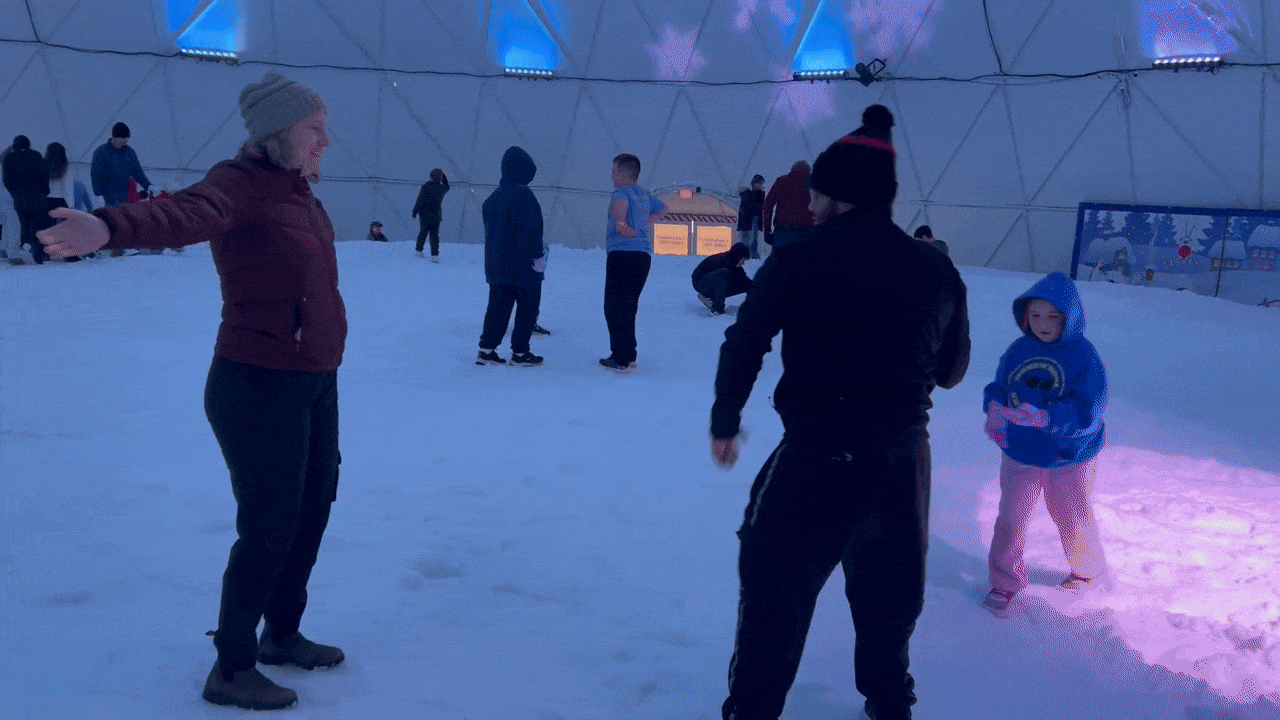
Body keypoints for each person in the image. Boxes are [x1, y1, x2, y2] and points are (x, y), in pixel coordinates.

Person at [39, 72, 346, 712]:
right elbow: (185, 213)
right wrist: (108, 227)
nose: (325, 141)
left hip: (313, 378)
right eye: (313, 129)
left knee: (311, 511)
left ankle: (281, 634)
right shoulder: (239, 184)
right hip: (257, 383)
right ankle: (231, 668)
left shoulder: (297, 191)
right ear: (277, 132)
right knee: (269, 526)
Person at [710, 112, 970, 720]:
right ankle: (889, 704)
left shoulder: (798, 255)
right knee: (889, 601)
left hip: (816, 458)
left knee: (776, 594)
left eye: (816, 191)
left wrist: (726, 419)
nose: (809, 201)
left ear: (839, 195)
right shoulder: (936, 269)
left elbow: (745, 341)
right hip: (900, 463)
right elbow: (952, 371)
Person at [981, 272, 1109, 616]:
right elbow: (999, 386)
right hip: (1021, 450)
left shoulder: (1084, 356)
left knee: (1072, 516)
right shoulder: (1019, 350)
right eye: (1035, 315)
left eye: (1053, 316)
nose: (1043, 323)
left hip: (1069, 455)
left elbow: (1090, 411)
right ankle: (1005, 579)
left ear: (1070, 317)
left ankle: (1086, 570)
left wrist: (1048, 417)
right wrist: (994, 408)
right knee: (1011, 516)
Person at [476, 146, 546, 367]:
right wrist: (537, 256)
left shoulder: (493, 197)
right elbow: (530, 229)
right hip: (523, 265)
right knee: (527, 307)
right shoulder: (523, 195)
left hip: (497, 264)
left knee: (497, 307)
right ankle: (520, 352)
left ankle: (486, 350)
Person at [600, 153, 666, 373]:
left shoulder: (621, 193)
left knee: (614, 306)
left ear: (624, 174)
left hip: (622, 254)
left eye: (614, 172)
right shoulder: (643, 194)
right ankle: (628, 354)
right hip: (642, 256)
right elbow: (663, 209)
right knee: (629, 306)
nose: (612, 176)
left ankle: (620, 358)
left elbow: (620, 214)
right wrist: (644, 224)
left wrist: (623, 226)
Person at [92, 122, 151, 256]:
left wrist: (148, 185)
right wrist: (98, 194)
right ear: (115, 137)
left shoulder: (129, 152)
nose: (125, 142)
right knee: (111, 222)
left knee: (122, 221)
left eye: (126, 140)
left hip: (123, 194)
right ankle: (108, 249)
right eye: (122, 139)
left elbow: (137, 172)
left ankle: (121, 249)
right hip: (107, 194)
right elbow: (96, 174)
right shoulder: (101, 152)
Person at [2, 135, 50, 264]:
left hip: (19, 197)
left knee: (21, 225)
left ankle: (18, 250)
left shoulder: (10, 157)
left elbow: (7, 179)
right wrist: (44, 191)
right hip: (37, 195)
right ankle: (40, 253)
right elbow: (44, 175)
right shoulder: (37, 155)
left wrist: (13, 193)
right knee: (38, 224)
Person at [761, 160, 813, 249]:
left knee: (780, 258)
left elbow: (768, 205)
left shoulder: (781, 181)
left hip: (783, 231)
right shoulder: (812, 183)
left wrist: (767, 230)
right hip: (807, 232)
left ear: (793, 169)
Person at [692, 243, 752, 316]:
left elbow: (746, 282)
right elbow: (718, 281)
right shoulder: (721, 260)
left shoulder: (735, 266)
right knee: (723, 275)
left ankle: (709, 297)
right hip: (700, 283)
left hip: (712, 284)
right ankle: (717, 309)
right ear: (738, 257)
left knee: (742, 283)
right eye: (743, 260)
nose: (743, 263)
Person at [411, 168, 449, 261]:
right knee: (434, 235)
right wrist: (443, 176)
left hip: (425, 214)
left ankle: (419, 250)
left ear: (431, 177)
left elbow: (420, 200)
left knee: (423, 232)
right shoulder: (441, 188)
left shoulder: (426, 187)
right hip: (436, 215)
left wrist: (415, 211)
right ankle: (434, 255)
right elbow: (447, 186)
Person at [736, 175, 766, 259]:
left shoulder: (757, 194)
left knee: (752, 239)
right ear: (754, 183)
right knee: (748, 239)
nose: (759, 185)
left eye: (761, 184)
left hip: (751, 221)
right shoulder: (747, 193)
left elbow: (759, 206)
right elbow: (754, 205)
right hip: (748, 221)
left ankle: (749, 254)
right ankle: (747, 255)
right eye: (758, 183)